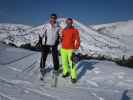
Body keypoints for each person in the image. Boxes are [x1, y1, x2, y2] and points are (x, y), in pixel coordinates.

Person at [37, 13, 60, 81]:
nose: (53, 19)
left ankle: (56, 70)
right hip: (46, 44)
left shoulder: (58, 26)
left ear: (56, 19)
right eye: (52, 18)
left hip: (54, 44)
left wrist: (58, 41)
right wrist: (40, 41)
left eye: (54, 18)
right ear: (50, 18)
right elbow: (41, 33)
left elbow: (60, 35)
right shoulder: (47, 25)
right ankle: (42, 69)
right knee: (43, 57)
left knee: (55, 57)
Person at [61, 18, 80, 83]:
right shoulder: (63, 30)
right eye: (68, 22)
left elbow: (78, 39)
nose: (69, 24)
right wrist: (61, 42)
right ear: (66, 23)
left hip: (71, 49)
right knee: (64, 62)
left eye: (70, 22)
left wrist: (76, 47)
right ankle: (66, 72)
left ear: (72, 23)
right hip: (63, 49)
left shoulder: (75, 30)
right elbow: (62, 38)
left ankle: (73, 77)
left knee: (72, 64)